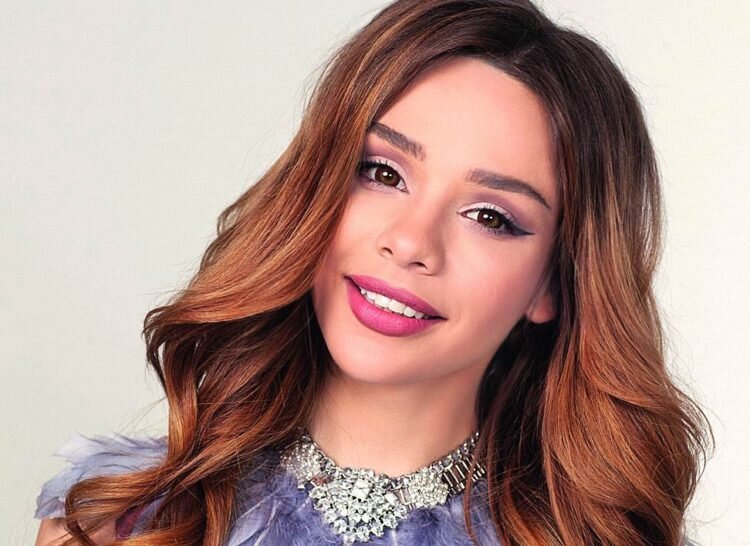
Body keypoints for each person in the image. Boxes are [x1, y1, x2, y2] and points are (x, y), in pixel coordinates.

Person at [33, 0, 712, 544]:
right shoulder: (112, 524)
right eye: (383, 173)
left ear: (553, 283)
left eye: (490, 216)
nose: (411, 242)